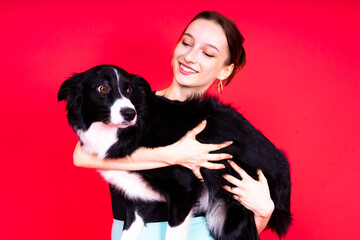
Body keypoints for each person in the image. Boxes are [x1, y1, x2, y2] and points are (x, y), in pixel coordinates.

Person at [73, 11, 275, 239]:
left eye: (208, 53)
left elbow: (240, 232)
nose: (189, 56)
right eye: (186, 43)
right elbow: (81, 157)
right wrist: (174, 154)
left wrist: (264, 211)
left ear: (225, 70)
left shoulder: (225, 128)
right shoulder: (132, 109)